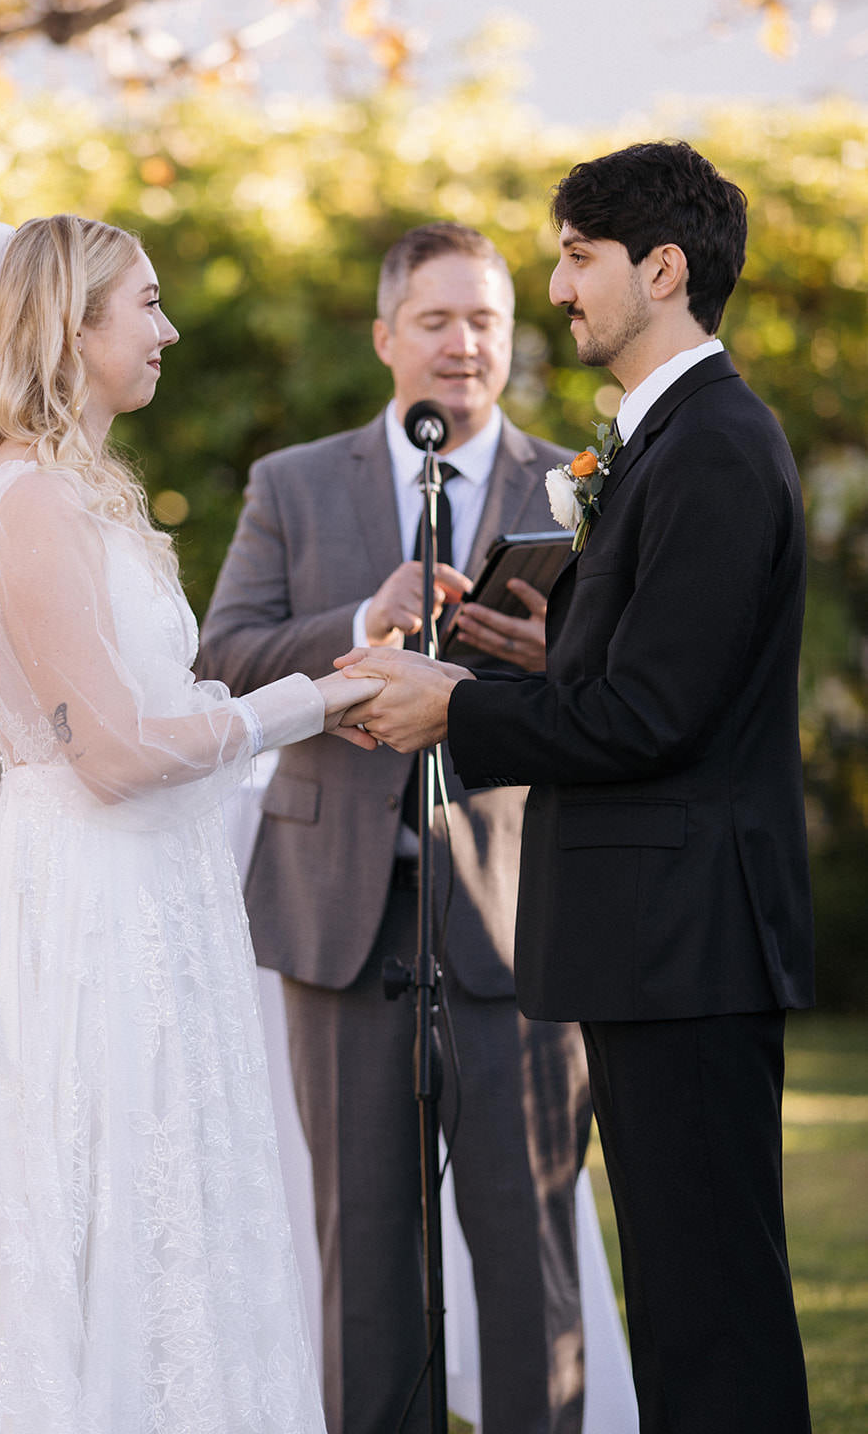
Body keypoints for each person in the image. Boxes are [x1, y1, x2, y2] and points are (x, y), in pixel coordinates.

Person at [0, 215, 383, 1433]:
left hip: (154, 890)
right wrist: (308, 698)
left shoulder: (80, 494)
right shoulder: (26, 503)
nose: (168, 330)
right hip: (87, 907)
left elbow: (144, 713)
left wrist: (263, 708)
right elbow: (120, 754)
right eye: (144, 304)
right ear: (69, 328)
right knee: (96, 1202)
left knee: (172, 1205)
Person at [336, 145, 815, 1434]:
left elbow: (651, 720)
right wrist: (549, 655)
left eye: (574, 256)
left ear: (658, 269)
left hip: (685, 942)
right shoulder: (666, 437)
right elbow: (655, 680)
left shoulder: (711, 445)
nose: (555, 287)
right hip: (652, 942)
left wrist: (456, 704)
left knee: (709, 1305)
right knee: (675, 1295)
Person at [199, 222, 593, 1434]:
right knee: (360, 1254)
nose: (463, 344)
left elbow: (624, 694)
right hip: (336, 908)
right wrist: (356, 618)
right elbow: (217, 660)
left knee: (528, 1253)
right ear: (384, 337)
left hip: (520, 917)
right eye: (436, 319)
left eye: (485, 320)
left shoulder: (576, 486)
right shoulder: (292, 483)